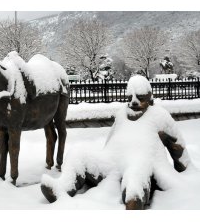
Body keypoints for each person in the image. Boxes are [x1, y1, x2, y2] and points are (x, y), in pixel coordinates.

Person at [40, 75, 191, 210]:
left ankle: (134, 200)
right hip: (112, 162)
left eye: (140, 97)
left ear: (149, 97)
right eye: (130, 97)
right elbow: (111, 140)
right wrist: (103, 158)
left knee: (135, 174)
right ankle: (62, 188)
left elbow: (176, 144)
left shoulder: (158, 115)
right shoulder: (121, 114)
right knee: (79, 154)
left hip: (140, 162)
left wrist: (183, 166)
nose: (134, 102)